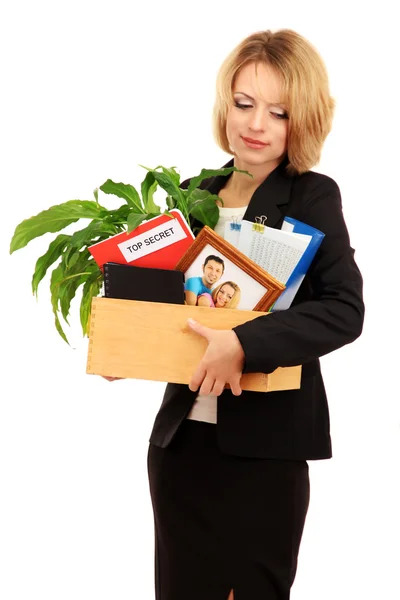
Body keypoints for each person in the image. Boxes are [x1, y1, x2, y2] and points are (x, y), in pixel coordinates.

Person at [145, 28, 365, 600]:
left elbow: (344, 309)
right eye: (244, 104)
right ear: (226, 104)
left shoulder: (313, 196)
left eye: (279, 112)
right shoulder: (194, 193)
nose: (256, 124)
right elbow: (169, 305)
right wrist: (131, 345)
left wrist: (247, 342)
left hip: (265, 455)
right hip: (180, 449)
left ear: (304, 120)